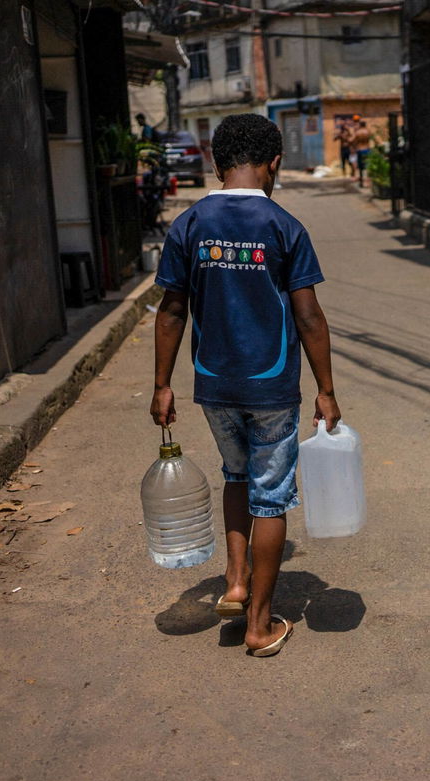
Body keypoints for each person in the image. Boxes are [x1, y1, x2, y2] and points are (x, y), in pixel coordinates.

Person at [150, 113, 340, 658]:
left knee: (237, 477)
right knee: (272, 499)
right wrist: (325, 389)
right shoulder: (284, 227)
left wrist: (162, 385)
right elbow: (309, 318)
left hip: (213, 385)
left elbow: (171, 312)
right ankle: (259, 624)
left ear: (215, 162)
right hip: (272, 388)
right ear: (274, 163)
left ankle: (235, 584)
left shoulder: (188, 225)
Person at [352, 119, 372, 187]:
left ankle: (361, 182)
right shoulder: (368, 131)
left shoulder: (358, 132)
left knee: (360, 167)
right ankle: (368, 182)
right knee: (368, 166)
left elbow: (352, 140)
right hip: (367, 149)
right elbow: (375, 139)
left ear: (360, 125)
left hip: (360, 150)